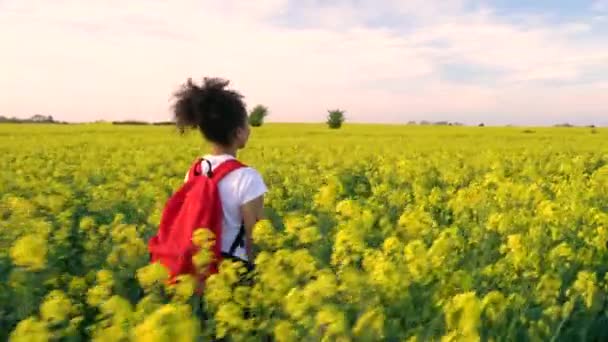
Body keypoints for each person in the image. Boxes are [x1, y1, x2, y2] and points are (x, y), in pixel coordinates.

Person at [172, 76, 267, 270]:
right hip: (232, 269)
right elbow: (255, 237)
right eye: (247, 125)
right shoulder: (247, 178)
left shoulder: (195, 170)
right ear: (239, 132)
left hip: (201, 266)